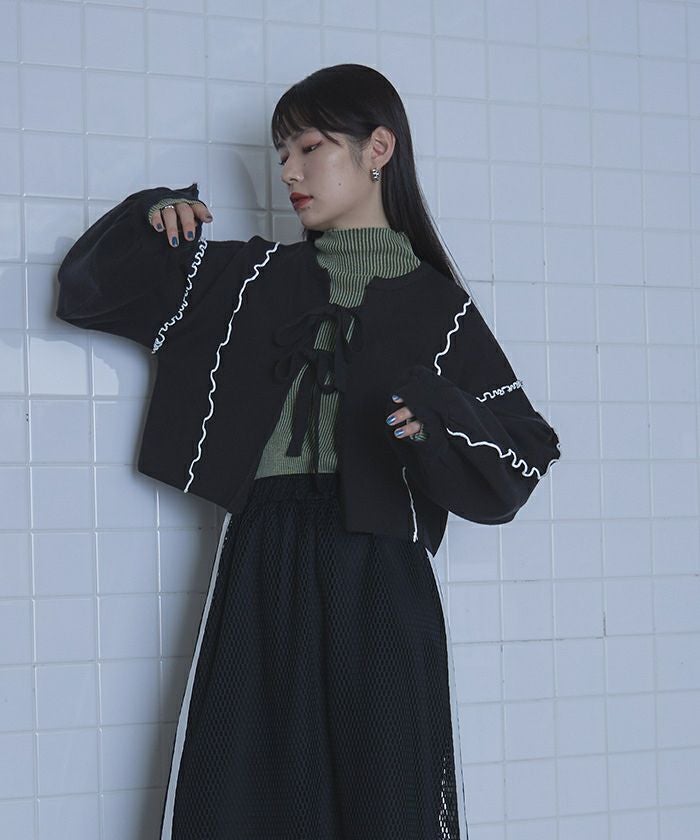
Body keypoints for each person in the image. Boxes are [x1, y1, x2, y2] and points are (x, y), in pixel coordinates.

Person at [55, 63, 561, 839]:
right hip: (263, 554)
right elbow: (86, 293)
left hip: (383, 574)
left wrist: (435, 418)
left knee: (390, 804)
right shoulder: (245, 278)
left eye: (309, 147)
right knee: (239, 797)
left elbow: (522, 453)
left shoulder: (441, 307)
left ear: (378, 148)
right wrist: (151, 219)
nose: (288, 171)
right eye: (281, 153)